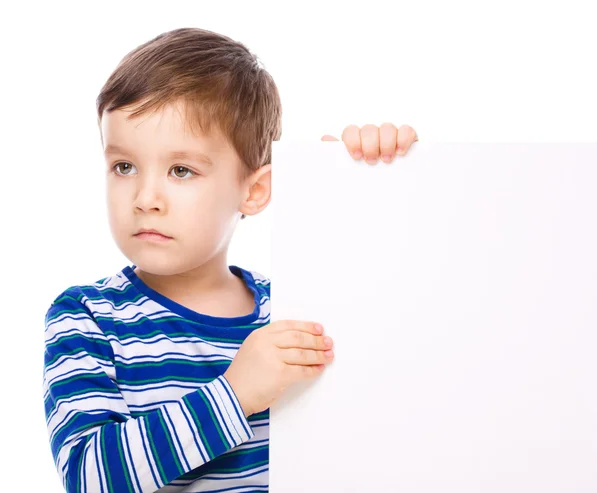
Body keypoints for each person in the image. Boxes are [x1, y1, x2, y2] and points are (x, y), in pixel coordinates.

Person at [42, 27, 419, 493]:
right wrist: (235, 395)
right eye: (124, 167)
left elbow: (400, 353)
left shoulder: (294, 305)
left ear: (255, 191)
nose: (145, 197)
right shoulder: (86, 316)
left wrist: (366, 181)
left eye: (181, 170)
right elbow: (90, 476)